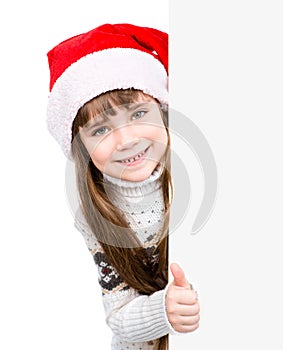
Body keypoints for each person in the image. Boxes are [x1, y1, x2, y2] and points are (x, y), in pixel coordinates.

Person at [46, 23, 200, 350]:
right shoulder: (97, 215)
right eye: (100, 130)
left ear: (163, 111)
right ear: (81, 149)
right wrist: (164, 310)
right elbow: (119, 314)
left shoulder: (192, 177)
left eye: (139, 113)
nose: (127, 139)